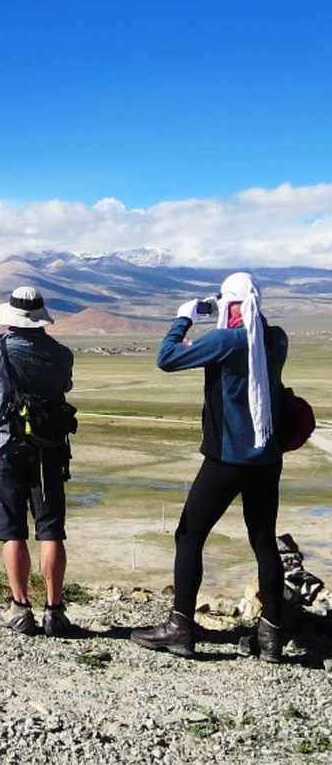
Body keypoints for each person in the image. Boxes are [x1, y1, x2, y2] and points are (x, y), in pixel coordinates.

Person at [132, 272, 289, 661]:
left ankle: (180, 627)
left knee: (189, 534)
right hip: (267, 458)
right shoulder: (276, 338)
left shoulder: (224, 341)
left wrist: (185, 318)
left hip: (226, 458)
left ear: (230, 304)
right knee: (263, 540)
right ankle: (271, 636)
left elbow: (166, 358)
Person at [0, 286, 75, 636]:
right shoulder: (61, 353)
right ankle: (55, 610)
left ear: (10, 318)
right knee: (51, 529)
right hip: (49, 450)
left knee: (12, 529)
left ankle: (20, 607)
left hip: (5, 452)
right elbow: (65, 387)